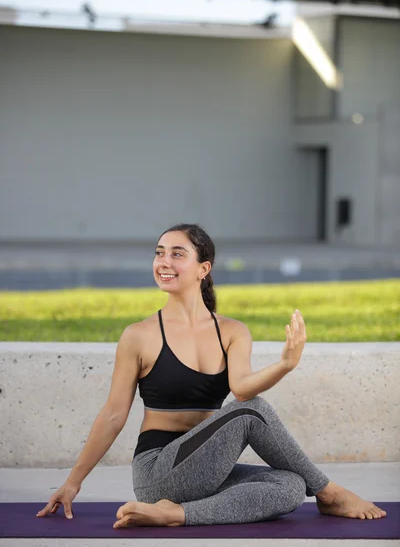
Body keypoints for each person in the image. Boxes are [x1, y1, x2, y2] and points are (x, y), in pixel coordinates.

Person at [36, 223, 387, 528]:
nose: (164, 262)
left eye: (177, 254)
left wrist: (285, 364)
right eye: (160, 253)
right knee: (252, 410)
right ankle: (330, 492)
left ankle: (174, 515)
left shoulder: (232, 331)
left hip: (208, 469)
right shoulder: (139, 335)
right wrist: (73, 482)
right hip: (159, 471)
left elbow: (241, 387)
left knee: (291, 486)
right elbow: (114, 414)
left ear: (203, 268)